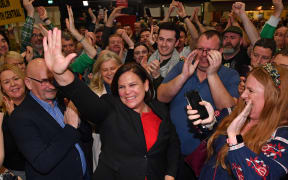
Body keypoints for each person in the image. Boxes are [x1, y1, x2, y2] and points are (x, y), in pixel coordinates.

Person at [43, 28, 180, 180]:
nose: (127, 91)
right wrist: (61, 73)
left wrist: (170, 174)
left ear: (146, 85)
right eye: (122, 87)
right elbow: (85, 99)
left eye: (133, 85)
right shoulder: (110, 107)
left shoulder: (159, 109)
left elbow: (172, 144)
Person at [187, 63, 288, 179]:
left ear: (273, 98)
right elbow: (213, 136)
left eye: (250, 90)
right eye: (244, 88)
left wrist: (236, 141)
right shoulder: (235, 112)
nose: (243, 95)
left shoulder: (282, 137)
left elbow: (258, 176)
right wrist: (208, 122)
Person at [8, 58, 93, 179]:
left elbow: (87, 136)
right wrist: (70, 128)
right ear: (28, 83)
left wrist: (79, 122)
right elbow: (42, 162)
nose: (51, 86)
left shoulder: (62, 100)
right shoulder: (19, 117)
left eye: (53, 79)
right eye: (44, 81)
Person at [88, 50, 122, 171]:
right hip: (101, 142)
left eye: (112, 68)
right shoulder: (93, 92)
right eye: (105, 69)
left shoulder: (129, 89)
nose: (109, 73)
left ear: (120, 68)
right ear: (100, 72)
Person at [0, 64, 26, 179]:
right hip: (14, 173)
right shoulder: (2, 116)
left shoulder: (39, 104)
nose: (13, 84)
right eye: (6, 82)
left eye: (16, 79)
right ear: (2, 89)